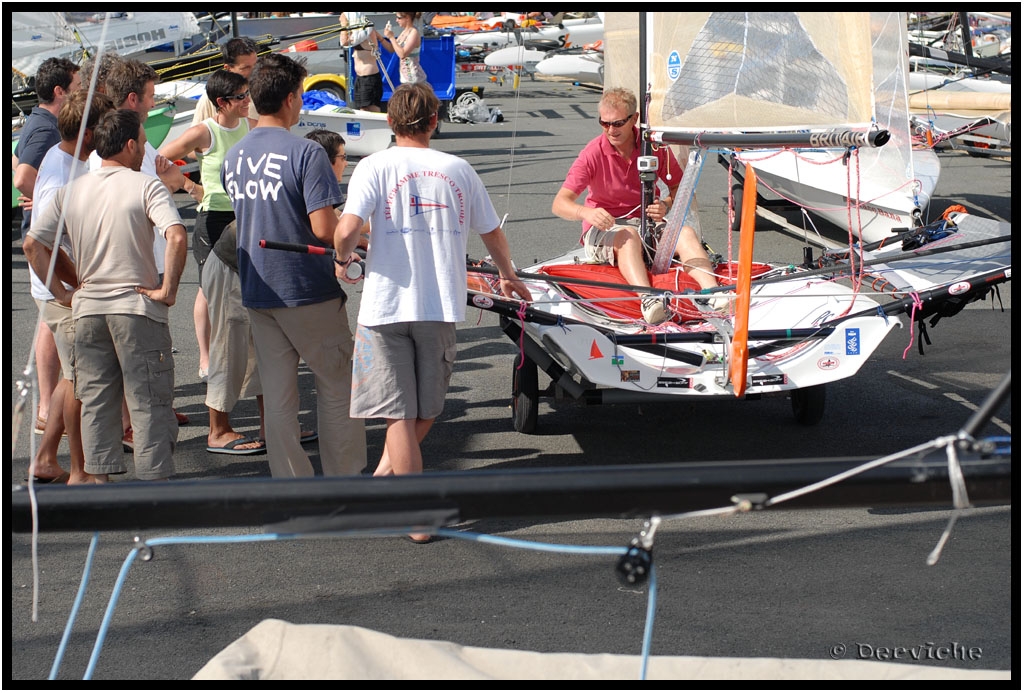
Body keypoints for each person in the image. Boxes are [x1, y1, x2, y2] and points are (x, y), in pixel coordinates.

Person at [333, 83, 532, 542]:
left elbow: (346, 229)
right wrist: (506, 273)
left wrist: (343, 259)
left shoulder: (374, 165)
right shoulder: (458, 169)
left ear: (391, 121)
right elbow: (491, 233)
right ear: (434, 121)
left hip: (384, 305)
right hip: (439, 303)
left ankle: (399, 493)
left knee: (400, 414)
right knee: (426, 408)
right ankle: (407, 502)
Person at [223, 52, 366, 478]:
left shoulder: (235, 156)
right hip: (306, 288)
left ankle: (292, 482)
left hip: (258, 287)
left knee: (279, 395)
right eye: (301, 95)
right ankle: (345, 478)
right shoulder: (306, 153)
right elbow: (325, 228)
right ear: (289, 99)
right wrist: (352, 246)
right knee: (336, 385)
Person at [25, 108, 188, 482]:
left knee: (96, 398)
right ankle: (154, 481)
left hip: (88, 308)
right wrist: (167, 289)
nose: (143, 150)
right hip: (135, 307)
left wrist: (63, 293)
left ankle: (99, 481)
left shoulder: (72, 189)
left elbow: (34, 244)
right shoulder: (145, 185)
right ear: (129, 145)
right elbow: (176, 235)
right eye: (142, 143)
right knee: (148, 398)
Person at [551, 87, 722, 324]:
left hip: (646, 224)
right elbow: (559, 204)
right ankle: (649, 300)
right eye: (604, 123)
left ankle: (714, 294)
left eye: (618, 123)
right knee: (627, 235)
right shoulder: (592, 153)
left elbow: (679, 189)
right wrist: (587, 212)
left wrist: (665, 204)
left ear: (634, 118)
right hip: (607, 228)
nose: (610, 130)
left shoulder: (652, 148)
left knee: (685, 233)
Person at [98, 57, 195, 441]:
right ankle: (129, 423)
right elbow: (152, 183)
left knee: (151, 345)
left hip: (149, 252)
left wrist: (170, 178)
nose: (155, 103)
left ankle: (154, 408)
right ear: (134, 97)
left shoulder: (138, 132)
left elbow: (160, 176)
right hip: (133, 255)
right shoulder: (117, 137)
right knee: (132, 348)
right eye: (152, 96)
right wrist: (172, 180)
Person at [23, 90, 115, 485]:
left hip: (62, 290)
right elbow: (40, 242)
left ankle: (46, 459)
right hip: (62, 293)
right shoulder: (62, 173)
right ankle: (81, 471)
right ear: (89, 133)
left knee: (70, 378)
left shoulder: (68, 160)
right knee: (82, 383)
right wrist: (70, 289)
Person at [160, 69, 256, 382]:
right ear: (221, 102)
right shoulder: (205, 132)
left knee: (246, 291)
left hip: (245, 217)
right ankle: (206, 358)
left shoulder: (249, 126)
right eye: (240, 97)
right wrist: (188, 186)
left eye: (247, 94)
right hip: (212, 218)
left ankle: (242, 358)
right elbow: (159, 160)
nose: (247, 101)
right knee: (210, 292)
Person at [13, 57, 81, 435]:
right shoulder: (45, 127)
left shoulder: (39, 123)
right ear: (60, 91)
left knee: (48, 325)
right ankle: (45, 409)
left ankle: (45, 408)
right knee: (51, 325)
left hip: (48, 238)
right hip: (48, 242)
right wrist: (41, 198)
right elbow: (22, 175)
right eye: (76, 85)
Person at [190, 37, 259, 126]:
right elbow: (198, 133)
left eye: (256, 65)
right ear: (228, 68)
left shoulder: (266, 91)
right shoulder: (209, 99)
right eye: (246, 67)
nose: (254, 71)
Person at [338, 12, 385, 112]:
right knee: (362, 110)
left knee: (372, 110)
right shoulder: (357, 32)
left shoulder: (366, 29)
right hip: (360, 78)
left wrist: (344, 24)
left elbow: (344, 42)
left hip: (369, 77)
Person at [380, 12, 427, 85]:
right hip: (406, 79)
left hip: (414, 79)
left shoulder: (413, 32)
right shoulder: (404, 32)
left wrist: (391, 37)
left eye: (399, 18)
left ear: (407, 18)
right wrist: (379, 37)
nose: (396, 20)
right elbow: (392, 48)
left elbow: (403, 54)